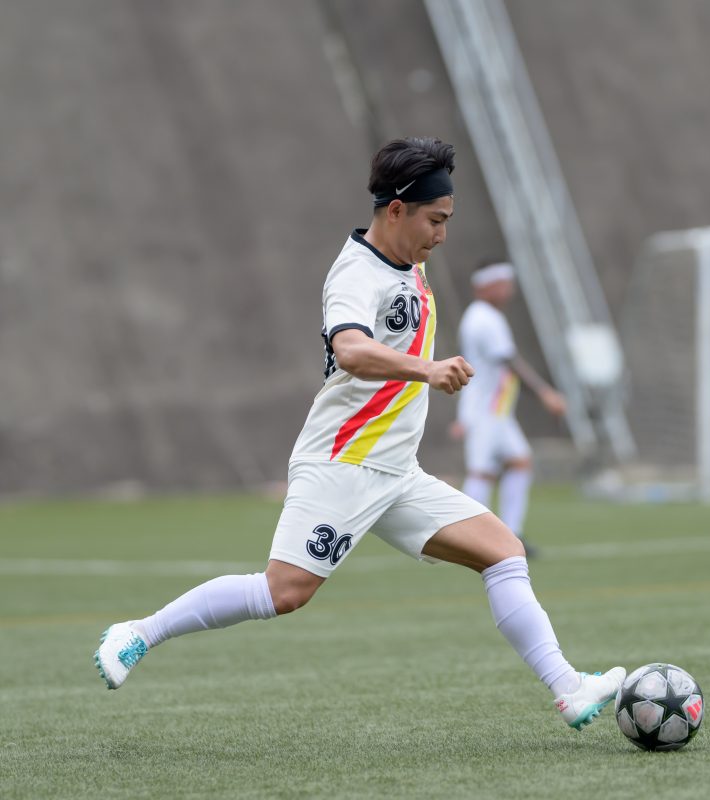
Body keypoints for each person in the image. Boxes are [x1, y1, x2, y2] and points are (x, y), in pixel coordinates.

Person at [93, 137, 625, 730]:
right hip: (342, 462)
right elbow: (349, 348)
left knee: (504, 553)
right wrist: (427, 369)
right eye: (435, 220)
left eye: (447, 220)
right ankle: (138, 632)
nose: (442, 235)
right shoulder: (355, 274)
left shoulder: (409, 260)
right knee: (283, 592)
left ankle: (569, 688)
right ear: (395, 211)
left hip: (397, 474)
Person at [452, 261, 566, 557]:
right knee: (481, 473)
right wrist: (545, 394)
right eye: (502, 284)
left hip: (499, 411)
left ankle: (511, 536)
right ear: (484, 286)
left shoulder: (489, 317)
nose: (508, 290)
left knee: (519, 462)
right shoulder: (482, 318)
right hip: (483, 411)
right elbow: (509, 361)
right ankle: (466, 539)